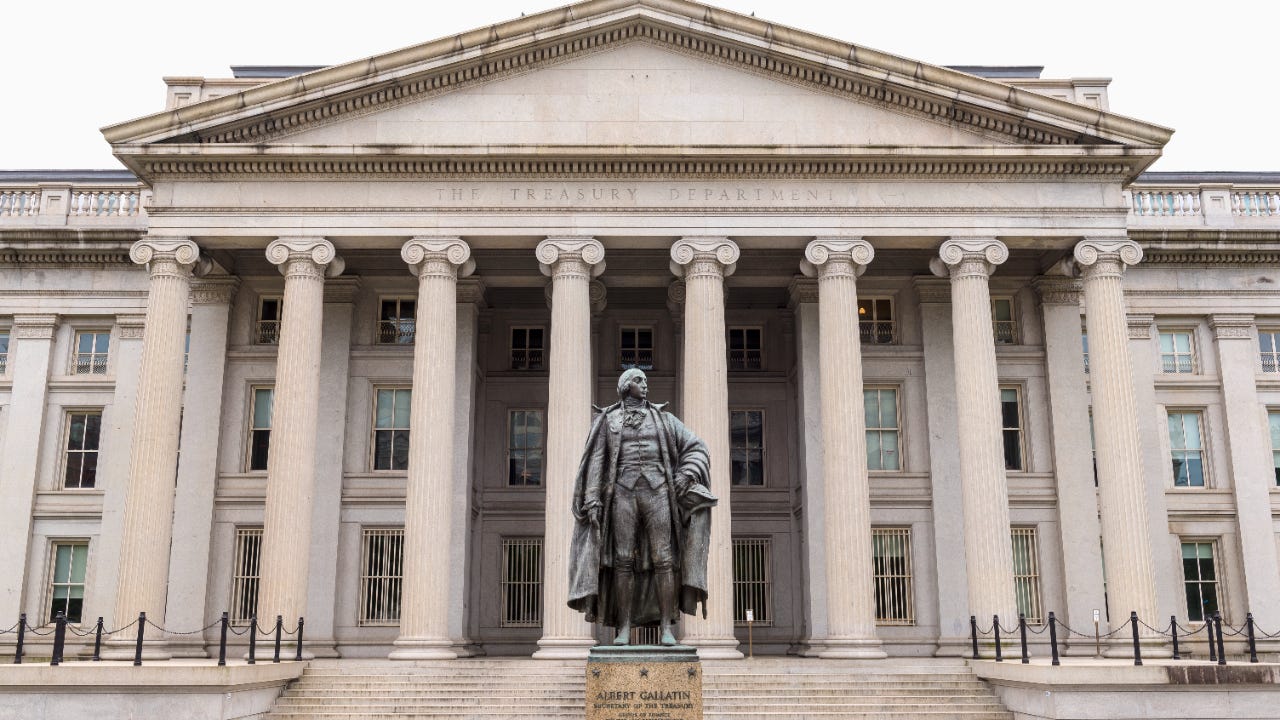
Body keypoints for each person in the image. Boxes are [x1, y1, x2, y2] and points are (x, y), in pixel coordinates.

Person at [567, 368, 717, 646]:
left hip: (658, 492)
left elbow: (698, 447)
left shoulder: (665, 419)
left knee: (664, 559)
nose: (645, 384)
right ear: (625, 386)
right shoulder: (608, 420)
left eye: (645, 380)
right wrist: (592, 499)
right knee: (623, 560)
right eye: (639, 380)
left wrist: (686, 473)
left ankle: (666, 627)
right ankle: (623, 628)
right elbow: (597, 460)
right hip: (622, 494)